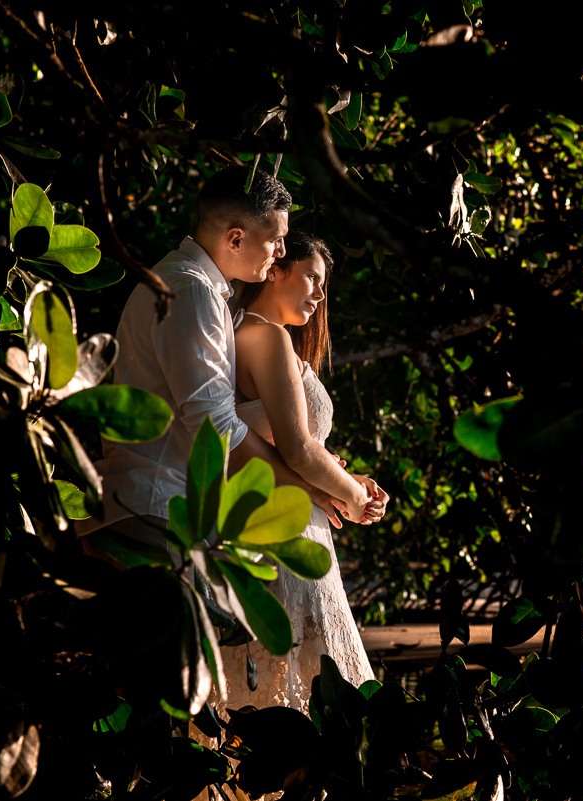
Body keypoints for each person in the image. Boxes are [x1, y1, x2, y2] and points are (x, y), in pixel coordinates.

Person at [83, 165, 351, 546]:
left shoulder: (190, 285)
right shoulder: (192, 291)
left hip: (157, 507)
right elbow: (218, 429)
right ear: (235, 239)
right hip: (153, 505)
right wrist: (308, 486)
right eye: (275, 240)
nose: (281, 251)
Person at [214, 231, 386, 713]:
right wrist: (354, 497)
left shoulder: (257, 335)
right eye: (312, 277)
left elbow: (295, 447)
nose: (320, 294)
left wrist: (345, 480)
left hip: (280, 519)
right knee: (315, 696)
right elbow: (299, 449)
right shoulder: (265, 336)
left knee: (281, 687)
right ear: (275, 270)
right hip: (281, 530)